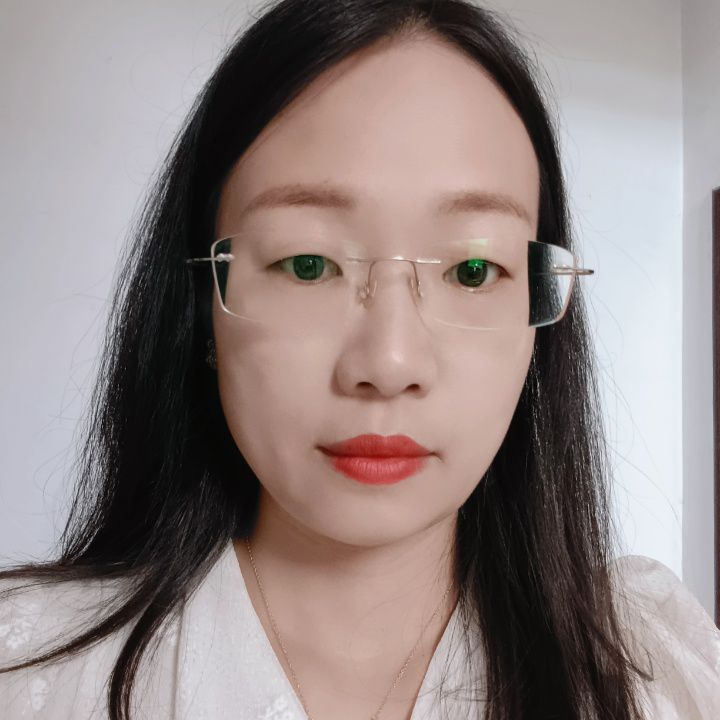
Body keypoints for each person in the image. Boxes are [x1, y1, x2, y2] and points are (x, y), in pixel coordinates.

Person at [1, 1, 719, 718]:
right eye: (308, 264)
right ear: (202, 305)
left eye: (473, 271)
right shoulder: (28, 674)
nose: (390, 361)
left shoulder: (658, 681)